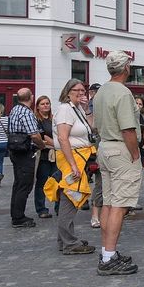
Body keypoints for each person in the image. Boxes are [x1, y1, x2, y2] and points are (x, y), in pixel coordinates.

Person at [93, 51, 140, 276]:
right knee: (120, 205)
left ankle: (106, 251)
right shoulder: (123, 92)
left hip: (104, 146)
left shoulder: (101, 91)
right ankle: (109, 257)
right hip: (121, 148)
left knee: (109, 203)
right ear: (126, 68)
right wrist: (135, 154)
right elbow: (128, 128)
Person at [53, 79, 96, 255]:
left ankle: (65, 240)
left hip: (80, 157)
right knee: (70, 199)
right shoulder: (65, 110)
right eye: (76, 90)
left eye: (82, 90)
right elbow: (63, 138)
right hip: (72, 159)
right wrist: (72, 165)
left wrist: (86, 109)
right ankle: (69, 242)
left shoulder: (75, 109)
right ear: (67, 91)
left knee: (70, 198)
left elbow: (91, 127)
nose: (80, 92)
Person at [8, 89, 45, 228]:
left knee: (18, 184)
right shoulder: (26, 112)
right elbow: (34, 135)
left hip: (15, 151)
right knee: (25, 184)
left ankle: (15, 214)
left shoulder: (14, 109)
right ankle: (18, 217)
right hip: (25, 152)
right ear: (31, 97)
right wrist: (41, 145)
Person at [34, 95, 58, 219]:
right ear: (38, 106)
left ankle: (59, 207)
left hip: (57, 155)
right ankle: (41, 209)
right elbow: (44, 137)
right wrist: (59, 145)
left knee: (58, 181)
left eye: (47, 103)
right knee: (42, 183)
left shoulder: (54, 119)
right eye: (42, 104)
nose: (45, 106)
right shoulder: (37, 120)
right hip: (44, 155)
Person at [87, 82, 103, 228]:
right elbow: (93, 127)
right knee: (98, 182)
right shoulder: (90, 106)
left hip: (103, 147)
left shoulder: (101, 104)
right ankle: (95, 214)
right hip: (95, 149)